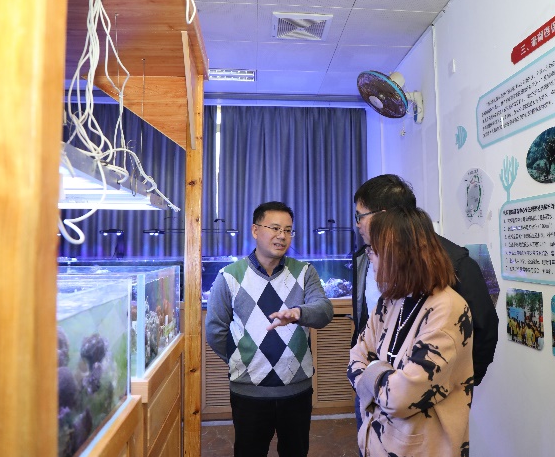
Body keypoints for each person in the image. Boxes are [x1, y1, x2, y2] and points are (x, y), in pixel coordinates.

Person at [205, 201, 333, 457]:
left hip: (297, 388)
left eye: (288, 230)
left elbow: (324, 311)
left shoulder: (305, 272)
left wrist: (298, 313)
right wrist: (242, 358)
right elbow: (215, 331)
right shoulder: (228, 276)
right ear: (255, 230)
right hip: (248, 391)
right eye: (275, 228)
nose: (282, 236)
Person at [348, 207, 473, 456]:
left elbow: (400, 398)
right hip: (377, 442)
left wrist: (373, 371)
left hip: (423, 448)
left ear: (400, 254)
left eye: (374, 250)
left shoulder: (447, 309)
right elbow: (356, 358)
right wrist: (385, 375)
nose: (370, 257)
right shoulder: (390, 300)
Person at [351, 175, 498, 385]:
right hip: (372, 385)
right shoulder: (364, 257)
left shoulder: (455, 264)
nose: (357, 224)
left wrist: (454, 385)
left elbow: (484, 330)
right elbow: (364, 335)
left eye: (360, 216)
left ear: (383, 216)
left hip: (424, 393)